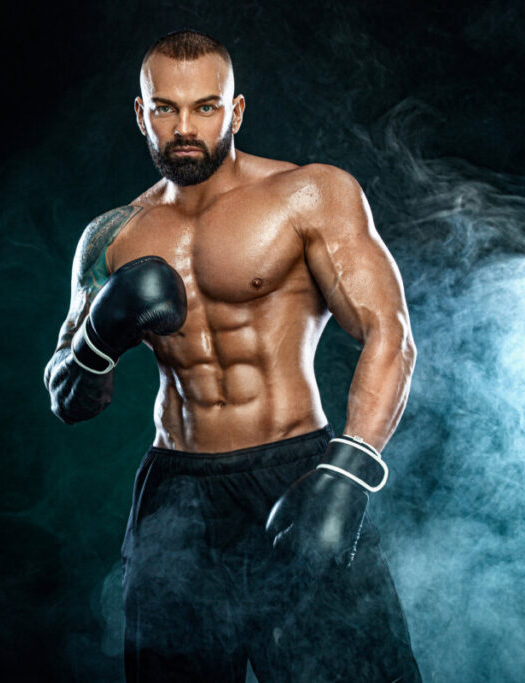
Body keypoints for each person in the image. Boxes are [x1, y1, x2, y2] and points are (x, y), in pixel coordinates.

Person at [43, 29, 421, 682]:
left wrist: (351, 467)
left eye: (205, 107)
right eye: (165, 108)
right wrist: (96, 340)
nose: (185, 127)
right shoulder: (110, 236)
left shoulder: (311, 195)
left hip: (297, 473)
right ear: (141, 113)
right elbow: (68, 397)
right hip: (177, 501)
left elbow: (390, 332)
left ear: (236, 110)